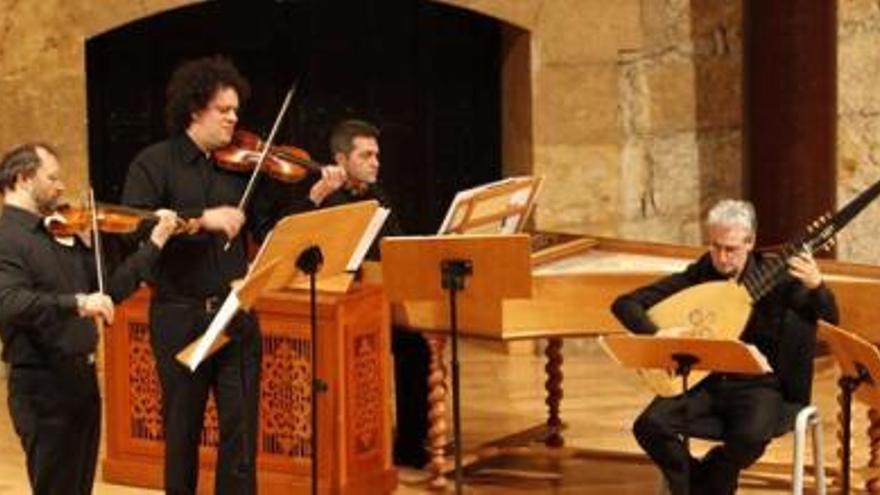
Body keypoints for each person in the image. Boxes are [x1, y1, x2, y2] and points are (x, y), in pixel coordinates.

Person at [120, 56, 283, 494]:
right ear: (195, 110)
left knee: (241, 433)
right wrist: (201, 217)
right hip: (180, 317)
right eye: (223, 109)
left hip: (235, 317)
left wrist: (314, 195)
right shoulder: (154, 163)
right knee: (183, 432)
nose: (234, 118)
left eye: (236, 110)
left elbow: (270, 232)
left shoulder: (242, 168)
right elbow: (135, 226)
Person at [610, 199, 839, 495]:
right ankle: (701, 483)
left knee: (752, 436)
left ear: (750, 242)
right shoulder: (701, 274)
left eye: (730, 249)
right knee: (650, 425)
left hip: (758, 386)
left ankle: (713, 474)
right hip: (704, 380)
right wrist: (659, 334)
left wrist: (816, 286)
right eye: (715, 246)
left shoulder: (777, 278)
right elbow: (625, 304)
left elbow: (830, 319)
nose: (721, 257)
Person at [0, 143, 178, 494]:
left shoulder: (57, 233)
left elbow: (108, 290)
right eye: (52, 177)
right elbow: (9, 302)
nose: (61, 186)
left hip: (81, 381)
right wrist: (78, 302)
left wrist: (154, 243)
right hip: (42, 386)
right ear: (22, 179)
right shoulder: (8, 238)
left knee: (79, 487)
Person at [285, 119, 429, 468]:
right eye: (366, 155)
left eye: (376, 155)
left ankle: (410, 447)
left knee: (415, 348)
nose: (375, 162)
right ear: (341, 158)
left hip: (372, 303)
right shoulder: (321, 194)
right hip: (330, 310)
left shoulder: (377, 195)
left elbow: (394, 248)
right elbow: (289, 244)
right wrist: (317, 198)